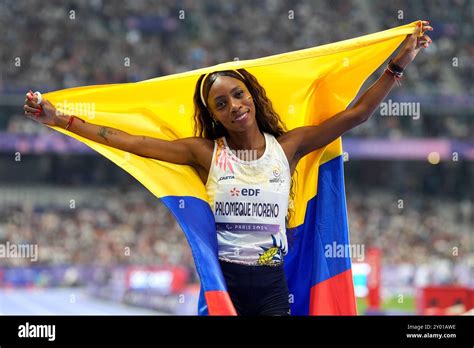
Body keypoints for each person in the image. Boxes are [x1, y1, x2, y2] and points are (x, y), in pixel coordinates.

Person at [23, 21, 433, 315]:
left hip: (274, 288)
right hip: (224, 285)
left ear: (252, 96)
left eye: (238, 95)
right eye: (222, 104)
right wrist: (60, 120)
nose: (234, 106)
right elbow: (128, 141)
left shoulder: (289, 147)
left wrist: (398, 63)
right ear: (215, 116)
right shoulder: (205, 153)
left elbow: (357, 113)